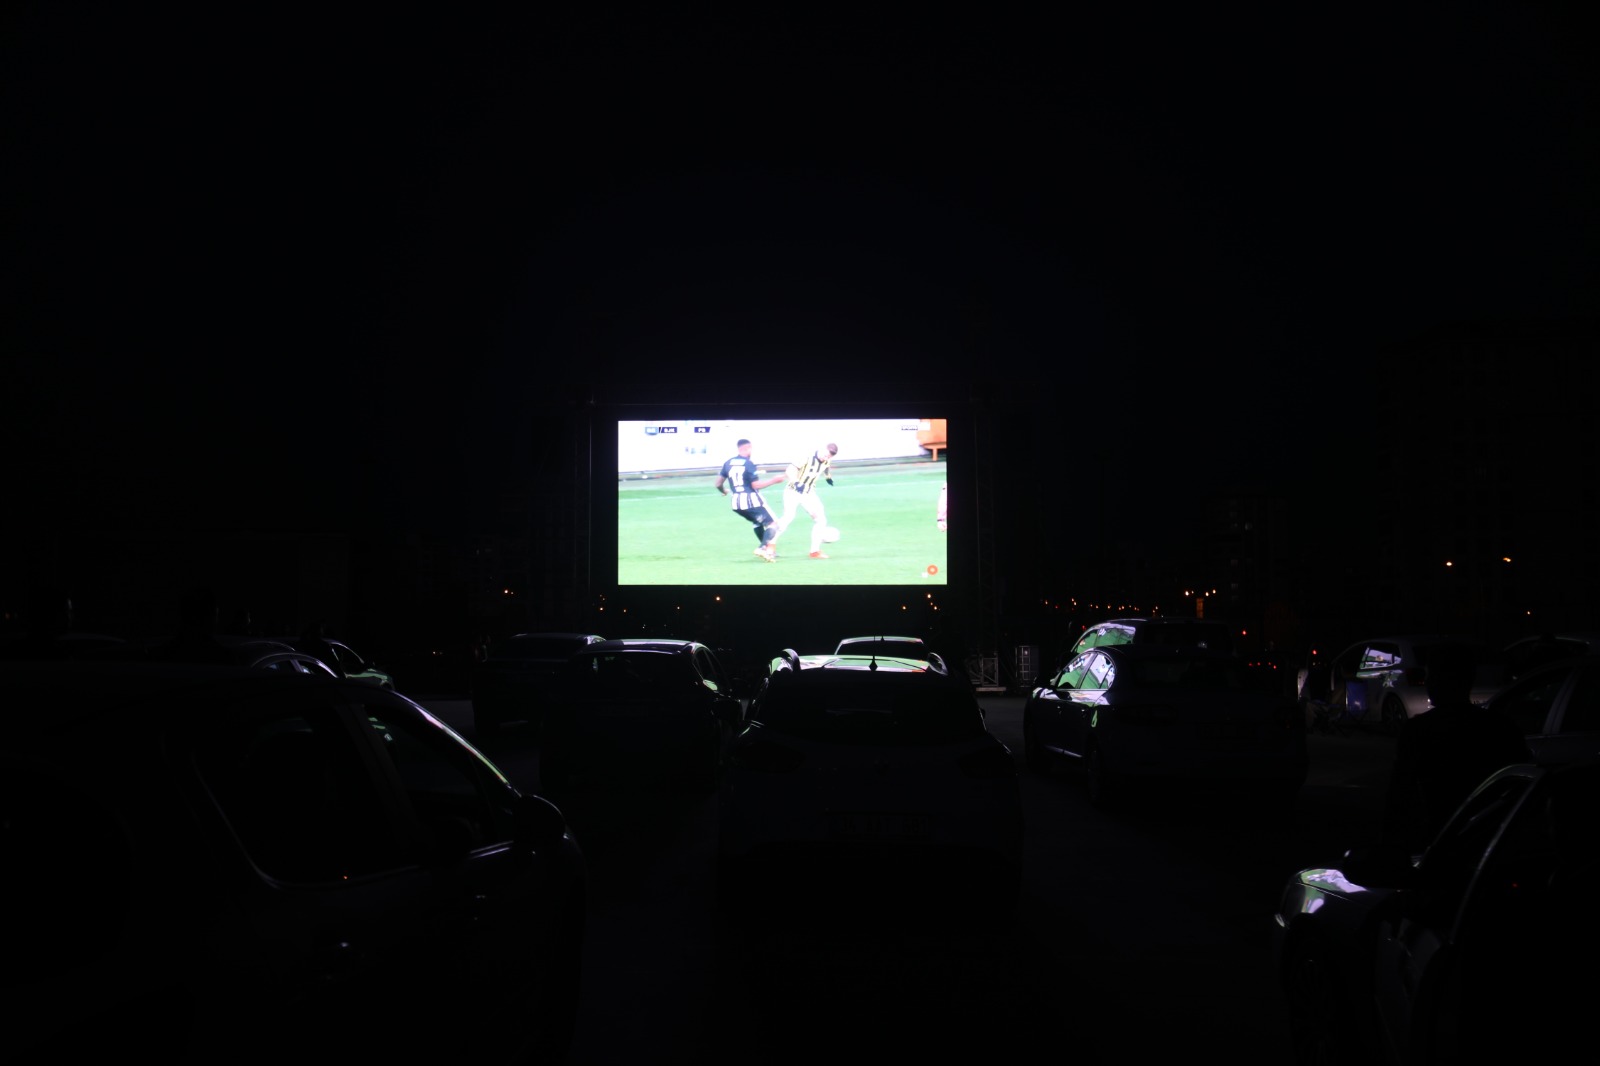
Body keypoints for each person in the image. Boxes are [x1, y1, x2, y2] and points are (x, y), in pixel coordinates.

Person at [1381, 640, 1531, 852]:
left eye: (1430, 675)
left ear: (1440, 679)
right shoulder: (1501, 727)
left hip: (1441, 842)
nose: (1427, 682)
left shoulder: (1419, 730)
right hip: (1493, 842)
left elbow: (1399, 797)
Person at [715, 438, 786, 562]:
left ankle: (768, 552)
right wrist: (774, 480)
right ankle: (762, 548)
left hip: (736, 503)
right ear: (747, 448)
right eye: (751, 448)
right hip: (751, 500)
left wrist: (724, 491)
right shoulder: (748, 463)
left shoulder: (728, 463)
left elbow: (718, 483)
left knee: (757, 522)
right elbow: (755, 485)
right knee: (773, 525)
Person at [773, 442, 838, 559]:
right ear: (822, 449)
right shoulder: (806, 457)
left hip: (808, 493)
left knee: (821, 519)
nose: (825, 458)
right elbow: (789, 470)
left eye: (828, 457)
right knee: (788, 517)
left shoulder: (826, 460)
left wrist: (828, 477)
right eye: (825, 455)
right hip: (793, 491)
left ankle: (814, 551)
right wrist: (796, 482)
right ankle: (769, 545)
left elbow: (826, 467)